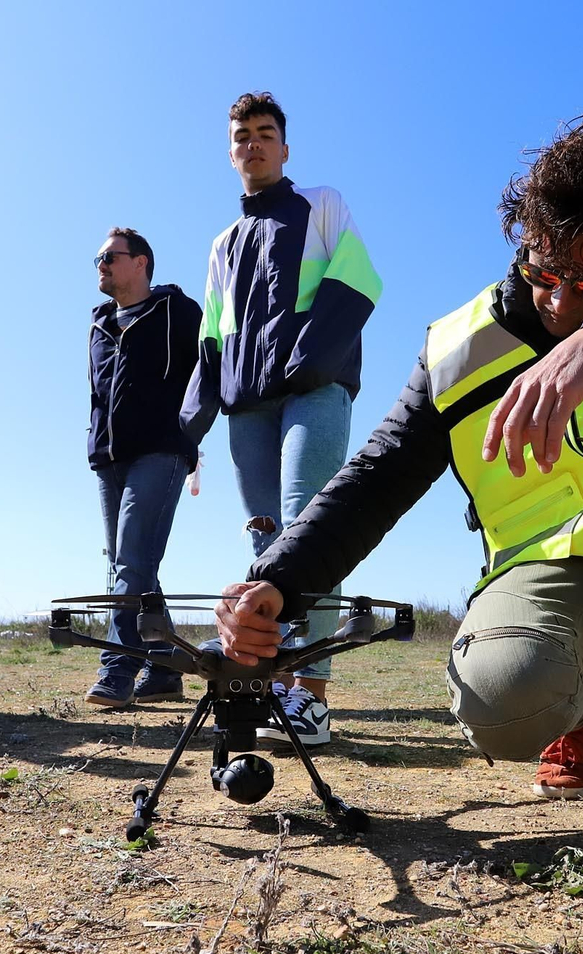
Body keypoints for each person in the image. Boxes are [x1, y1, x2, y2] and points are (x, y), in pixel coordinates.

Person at [214, 104, 583, 905]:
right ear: (523, 236)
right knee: (497, 701)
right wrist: (275, 577)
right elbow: (373, 478)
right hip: (553, 584)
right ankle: (582, 703)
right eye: (545, 270)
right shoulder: (454, 347)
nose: (562, 303)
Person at [182, 91, 382, 746]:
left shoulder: (322, 204)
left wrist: (308, 358)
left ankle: (312, 698)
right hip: (247, 405)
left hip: (314, 390)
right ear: (230, 152)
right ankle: (274, 682)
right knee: (265, 540)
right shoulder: (222, 244)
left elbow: (358, 282)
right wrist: (188, 430)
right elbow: (212, 336)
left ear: (285, 149)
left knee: (309, 525)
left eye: (265, 133)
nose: (254, 143)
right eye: (242, 135)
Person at [84, 228, 203, 708]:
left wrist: (192, 434)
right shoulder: (98, 324)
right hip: (108, 457)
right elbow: (97, 394)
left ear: (141, 263)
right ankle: (165, 668)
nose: (101, 264)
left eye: (109, 256)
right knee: (130, 565)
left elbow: (209, 371)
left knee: (132, 561)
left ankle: (118, 669)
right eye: (98, 258)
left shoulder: (178, 311)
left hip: (161, 450)